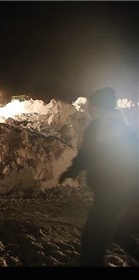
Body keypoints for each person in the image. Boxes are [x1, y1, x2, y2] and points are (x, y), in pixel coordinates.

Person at [58, 87, 138, 266]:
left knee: (92, 238)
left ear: (101, 107)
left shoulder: (118, 129)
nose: (89, 109)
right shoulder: (96, 127)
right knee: (118, 233)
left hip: (115, 191)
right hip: (105, 191)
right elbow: (87, 154)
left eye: (92, 105)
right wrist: (72, 170)